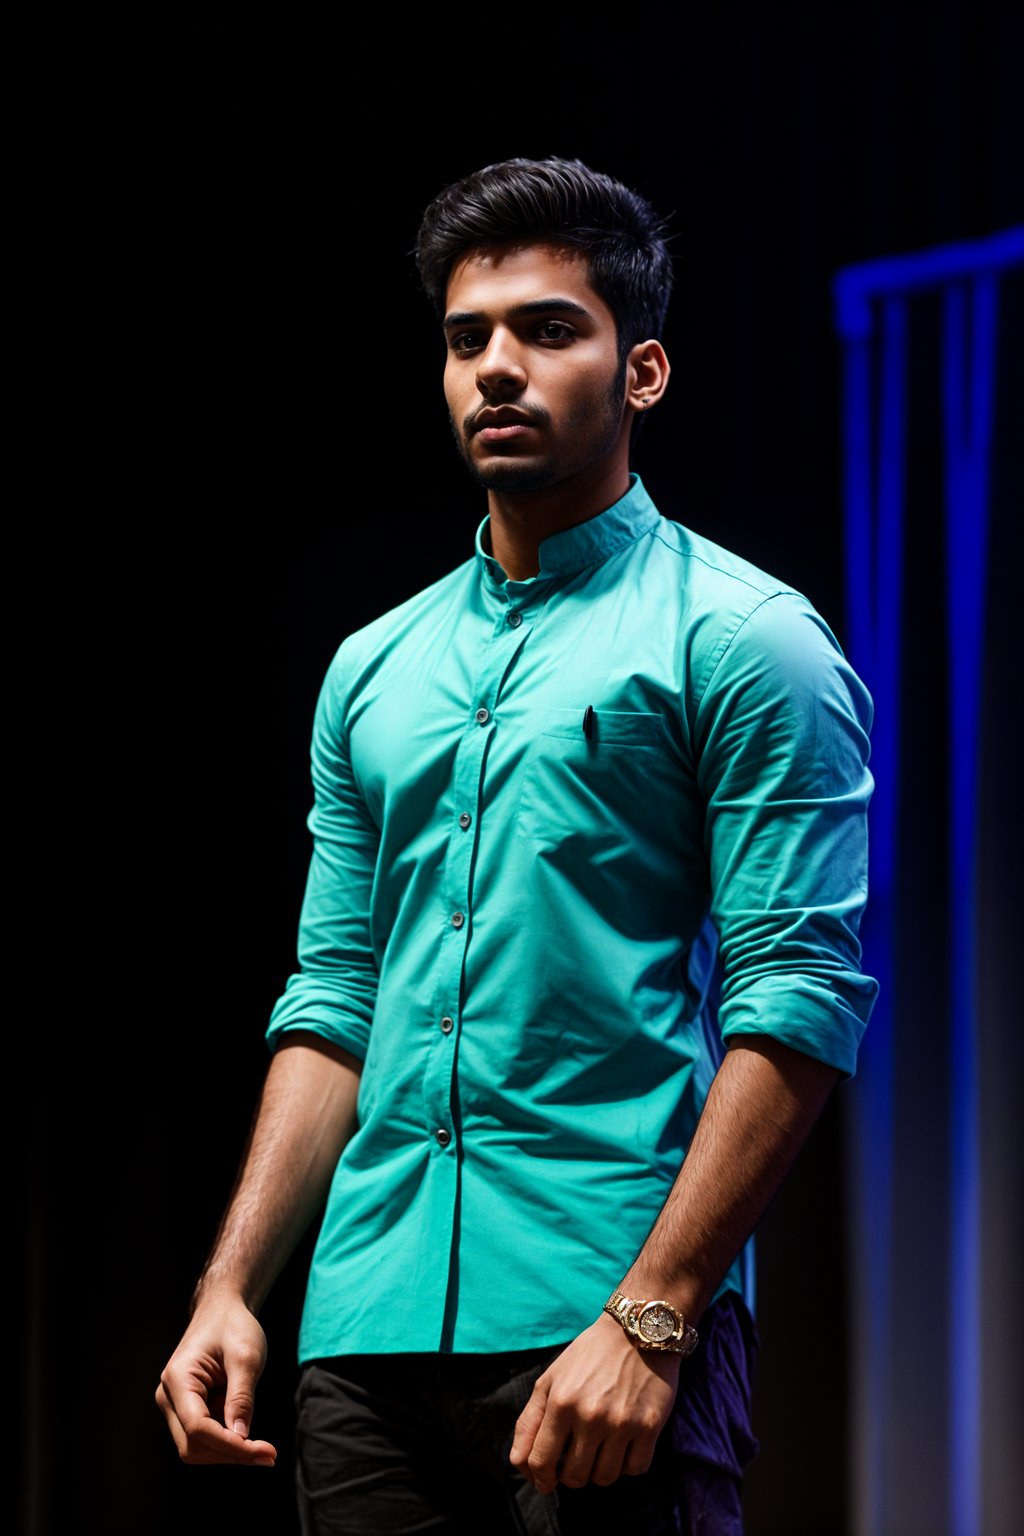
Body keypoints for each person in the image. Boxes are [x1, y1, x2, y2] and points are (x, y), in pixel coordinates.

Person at [155, 155, 877, 1535]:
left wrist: (656, 1321)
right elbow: (334, 998)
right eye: (466, 336)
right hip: (359, 1335)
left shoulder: (747, 639)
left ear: (643, 373)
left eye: (549, 329)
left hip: (607, 1321)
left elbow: (801, 996)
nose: (497, 367)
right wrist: (232, 1288)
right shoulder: (374, 667)